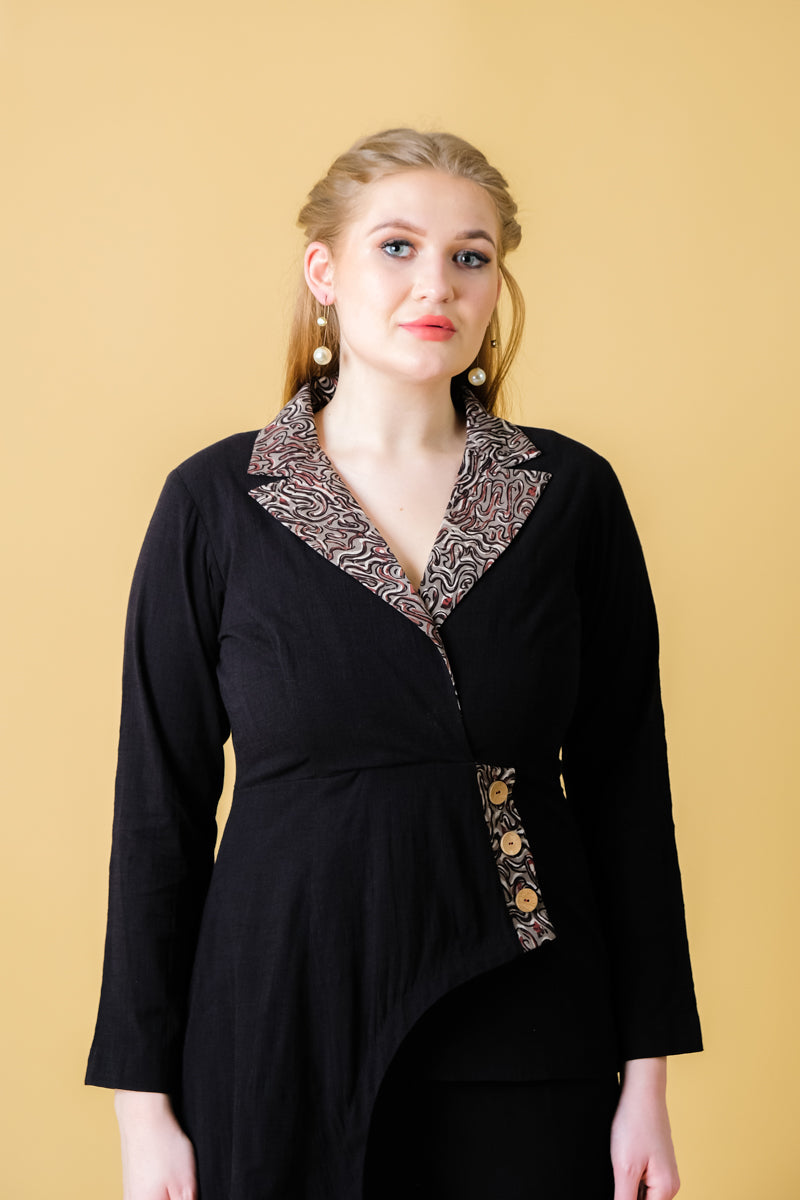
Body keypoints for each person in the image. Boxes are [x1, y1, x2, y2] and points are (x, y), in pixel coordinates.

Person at [86, 128, 702, 1200]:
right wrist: (144, 1111)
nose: (437, 284)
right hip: (276, 1023)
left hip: (527, 1019)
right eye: (397, 247)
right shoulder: (216, 501)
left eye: (471, 256)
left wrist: (645, 1079)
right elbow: (157, 812)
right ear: (323, 271)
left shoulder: (568, 495)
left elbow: (626, 796)